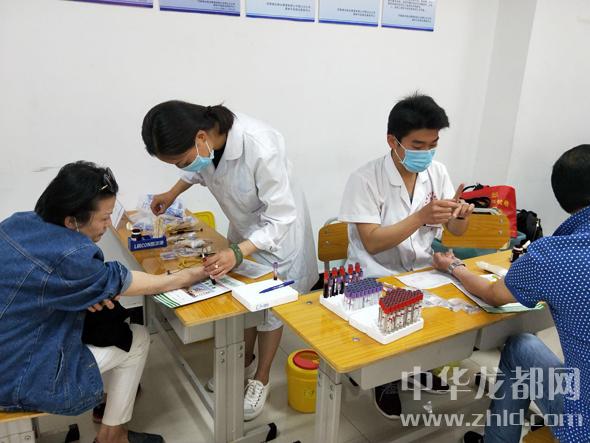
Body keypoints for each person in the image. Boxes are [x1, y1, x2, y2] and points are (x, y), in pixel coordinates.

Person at [0, 162, 208, 443]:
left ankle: (106, 405)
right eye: (105, 218)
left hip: (11, 344)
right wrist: (188, 276)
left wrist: (84, 294)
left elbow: (41, 282)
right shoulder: (71, 255)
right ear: (72, 221)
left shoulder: (18, 222)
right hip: (16, 373)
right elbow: (120, 279)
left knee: (105, 318)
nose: (109, 224)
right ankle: (113, 437)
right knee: (136, 339)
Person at [141, 101, 317, 420]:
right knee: (244, 300)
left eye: (181, 160)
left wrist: (236, 252)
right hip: (245, 231)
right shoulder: (206, 144)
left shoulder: (260, 145)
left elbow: (281, 216)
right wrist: (172, 193)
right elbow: (197, 170)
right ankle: (243, 362)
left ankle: (261, 378)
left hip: (278, 236)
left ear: (200, 137)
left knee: (270, 309)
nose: (183, 166)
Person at [432, 145, 590, 443]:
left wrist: (454, 266)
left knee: (519, 348)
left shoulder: (555, 256)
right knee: (526, 343)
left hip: (584, 422)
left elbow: (494, 294)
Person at [338, 93, 474, 419]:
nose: (426, 153)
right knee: (390, 326)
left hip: (422, 272)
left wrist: (460, 214)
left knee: (448, 317)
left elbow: (455, 231)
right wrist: (421, 216)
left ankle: (415, 369)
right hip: (374, 275)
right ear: (393, 141)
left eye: (433, 144)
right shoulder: (365, 179)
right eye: (417, 145)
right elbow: (372, 243)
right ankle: (384, 379)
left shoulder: (437, 172)